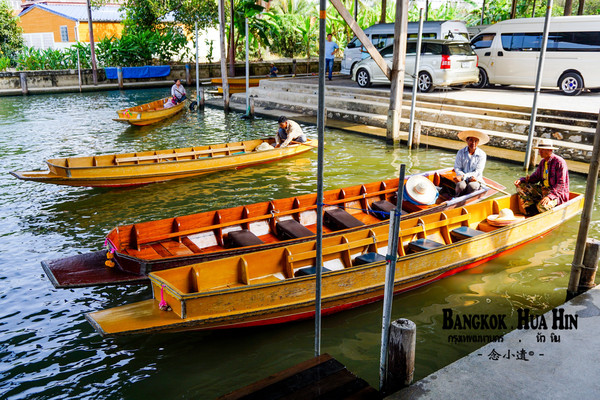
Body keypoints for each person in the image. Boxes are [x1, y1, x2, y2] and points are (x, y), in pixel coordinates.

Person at [514, 138, 569, 216]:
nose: (540, 152)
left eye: (542, 150)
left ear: (550, 150)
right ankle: (532, 212)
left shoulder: (559, 162)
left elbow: (561, 185)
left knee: (542, 207)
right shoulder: (543, 162)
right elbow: (535, 177)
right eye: (539, 149)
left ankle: (542, 210)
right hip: (544, 190)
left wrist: (550, 197)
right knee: (521, 186)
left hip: (557, 194)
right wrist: (521, 180)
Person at [453, 130, 489, 197]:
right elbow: (457, 168)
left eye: (476, 141)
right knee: (460, 185)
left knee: (472, 186)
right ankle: (457, 197)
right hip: (462, 177)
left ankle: (468, 199)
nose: (473, 143)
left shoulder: (482, 154)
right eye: (471, 140)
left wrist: (464, 177)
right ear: (467, 140)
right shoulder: (460, 152)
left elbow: (478, 171)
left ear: (478, 142)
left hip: (475, 178)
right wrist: (462, 176)